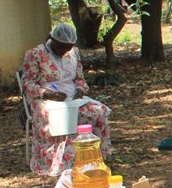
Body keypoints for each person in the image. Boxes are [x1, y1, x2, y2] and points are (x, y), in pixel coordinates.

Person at [19, 23, 112, 176]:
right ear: (52, 40)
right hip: (44, 98)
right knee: (64, 117)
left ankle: (95, 158)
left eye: (68, 47)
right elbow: (27, 83)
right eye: (61, 46)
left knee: (99, 112)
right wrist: (46, 93)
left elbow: (80, 79)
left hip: (71, 96)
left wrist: (80, 90)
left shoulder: (74, 52)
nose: (65, 50)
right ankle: (64, 163)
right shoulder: (35, 54)